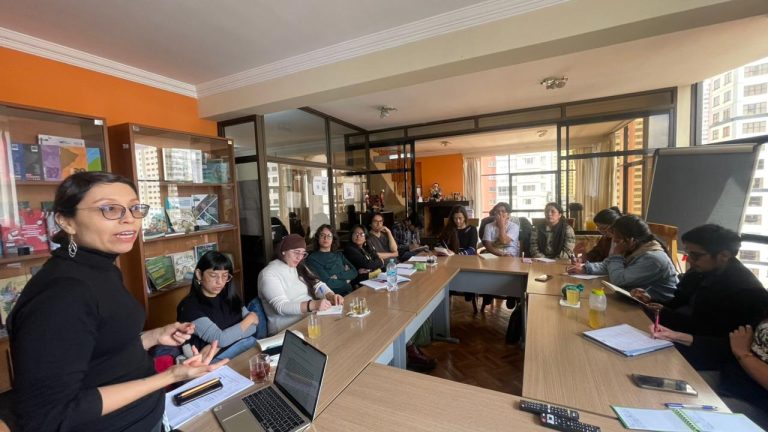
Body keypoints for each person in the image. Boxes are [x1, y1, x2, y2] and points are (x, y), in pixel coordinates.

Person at [7, 172, 225, 432]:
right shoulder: (63, 292)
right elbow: (49, 415)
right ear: (66, 221)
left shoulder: (101, 267)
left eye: (134, 208)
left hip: (147, 417)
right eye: (109, 209)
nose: (129, 219)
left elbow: (99, 353)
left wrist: (154, 337)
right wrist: (170, 376)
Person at [644, 225, 768, 362]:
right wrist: (652, 302)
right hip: (676, 333)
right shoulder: (700, 271)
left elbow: (724, 342)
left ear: (724, 255)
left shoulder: (748, 292)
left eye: (695, 255)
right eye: (688, 253)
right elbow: (678, 302)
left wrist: (670, 322)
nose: (689, 260)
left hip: (705, 351)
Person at [177, 251, 266, 361]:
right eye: (213, 275)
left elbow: (252, 328)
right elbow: (221, 339)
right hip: (214, 359)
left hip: (243, 348)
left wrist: (218, 345)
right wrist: (250, 319)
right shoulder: (189, 307)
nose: (220, 282)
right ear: (199, 274)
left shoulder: (230, 296)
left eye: (225, 276)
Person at [568, 214, 678, 302]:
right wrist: (585, 268)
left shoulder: (653, 259)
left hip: (659, 308)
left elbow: (619, 280)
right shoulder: (636, 248)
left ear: (631, 239)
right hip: (636, 299)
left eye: (618, 238)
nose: (615, 241)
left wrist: (616, 255)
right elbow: (608, 264)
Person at [258, 234, 344, 335]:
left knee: (340, 329)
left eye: (303, 253)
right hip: (286, 329)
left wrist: (330, 295)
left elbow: (318, 285)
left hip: (310, 320)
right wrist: (313, 305)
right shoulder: (269, 274)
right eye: (296, 252)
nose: (299, 257)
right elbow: (281, 307)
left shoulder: (299, 267)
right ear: (283, 251)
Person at [305, 225, 359, 296]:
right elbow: (327, 283)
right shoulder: (312, 259)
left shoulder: (339, 255)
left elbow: (354, 272)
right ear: (318, 238)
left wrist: (338, 276)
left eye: (329, 236)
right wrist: (346, 280)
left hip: (350, 292)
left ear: (333, 239)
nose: (325, 238)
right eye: (322, 235)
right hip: (333, 297)